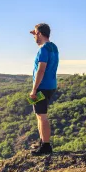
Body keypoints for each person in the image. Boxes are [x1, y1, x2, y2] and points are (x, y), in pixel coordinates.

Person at [29, 23, 59, 155]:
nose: (34, 37)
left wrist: (34, 90)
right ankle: (42, 142)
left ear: (40, 34)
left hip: (41, 87)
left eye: (35, 34)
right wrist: (35, 32)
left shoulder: (43, 49)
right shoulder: (54, 47)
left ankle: (46, 146)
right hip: (51, 86)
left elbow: (41, 70)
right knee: (38, 114)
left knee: (42, 116)